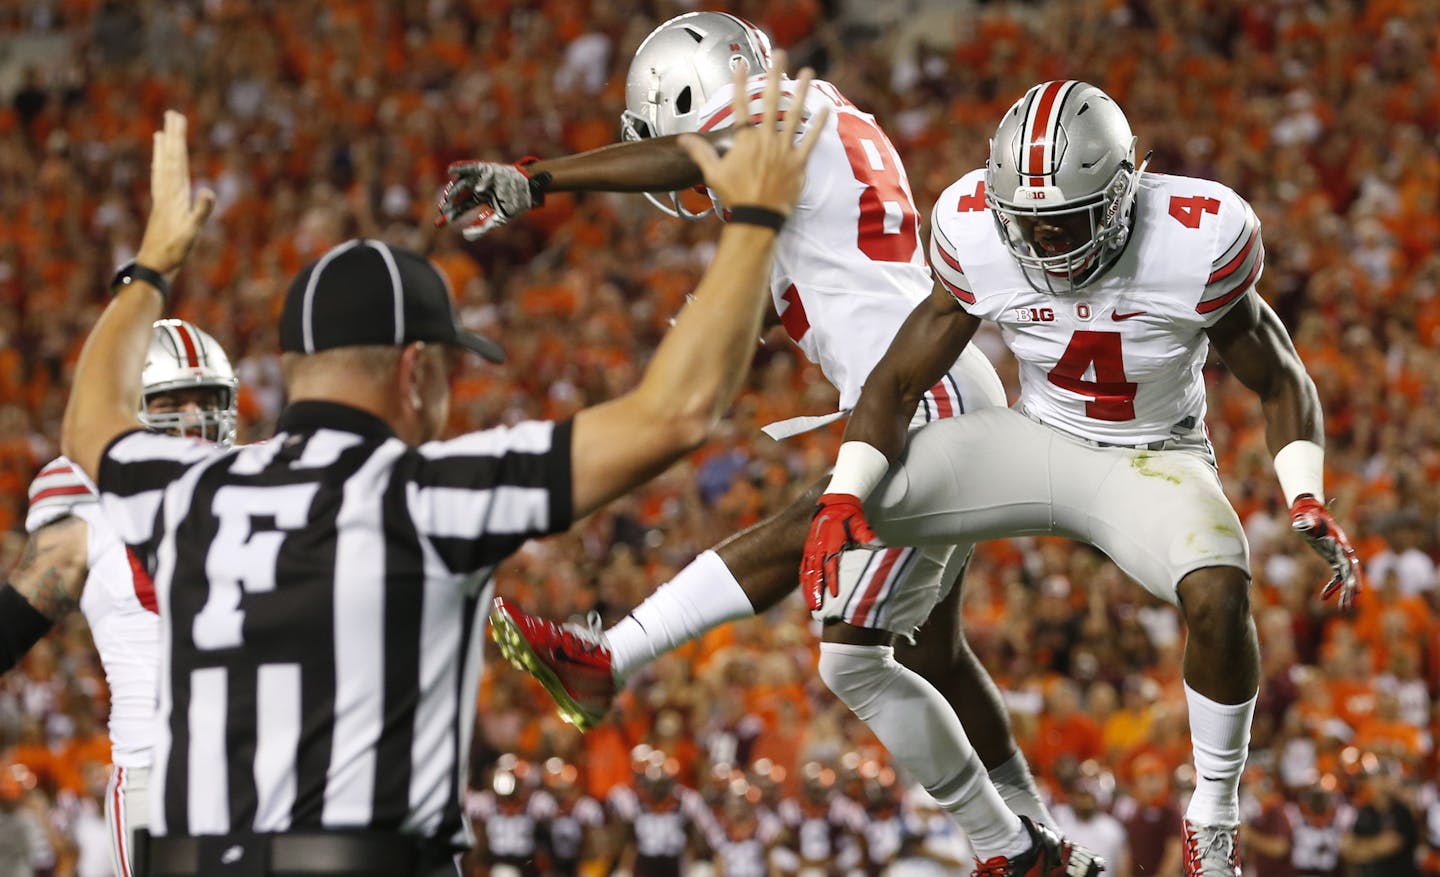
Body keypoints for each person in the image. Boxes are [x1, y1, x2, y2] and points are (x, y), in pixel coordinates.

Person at [58, 54, 823, 877]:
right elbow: (675, 413)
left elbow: (89, 422)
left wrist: (149, 268)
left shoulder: (189, 489)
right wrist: (757, 220)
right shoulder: (428, 494)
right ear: (415, 368)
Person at [437, 15, 1098, 875]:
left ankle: (1009, 848)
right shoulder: (819, 122)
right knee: (932, 652)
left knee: (851, 654)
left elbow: (698, 159)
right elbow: (799, 266)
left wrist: (539, 176)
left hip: (916, 387)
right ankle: (1039, 834)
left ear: (688, 92)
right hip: (935, 376)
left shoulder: (772, 107)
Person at [797, 79, 1366, 876]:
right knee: (839, 510)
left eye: (1067, 220)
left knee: (1218, 589)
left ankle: (1213, 815)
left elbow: (1277, 377)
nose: (1046, 244)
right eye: (1027, 223)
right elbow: (894, 381)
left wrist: (1303, 490)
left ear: (1126, 189)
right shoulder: (974, 232)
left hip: (1155, 454)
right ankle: (627, 641)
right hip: (1037, 437)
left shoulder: (1196, 238)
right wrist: (844, 492)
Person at [0, 318, 239, 877]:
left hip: (273, 768)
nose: (193, 422)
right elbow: (10, 623)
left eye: (207, 402)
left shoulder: (262, 484)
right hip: (163, 780)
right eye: (170, 404)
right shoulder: (87, 508)